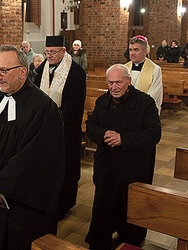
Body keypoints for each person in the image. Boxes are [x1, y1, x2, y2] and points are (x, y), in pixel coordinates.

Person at [0, 45, 65, 250]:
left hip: (23, 203)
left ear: (23, 72)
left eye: (4, 71)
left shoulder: (43, 108)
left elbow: (36, 157)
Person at [84, 64, 161, 249]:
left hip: (132, 169)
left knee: (129, 210)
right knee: (103, 208)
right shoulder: (103, 101)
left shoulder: (145, 103)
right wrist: (103, 135)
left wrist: (123, 139)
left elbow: (154, 134)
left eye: (118, 82)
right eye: (110, 83)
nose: (114, 87)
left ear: (129, 81)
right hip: (107, 168)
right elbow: (91, 125)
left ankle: (129, 242)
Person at [34, 35, 86, 219]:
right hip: (44, 129)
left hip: (66, 130)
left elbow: (74, 104)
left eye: (53, 52)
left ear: (63, 51)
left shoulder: (76, 72)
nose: (49, 56)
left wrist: (54, 120)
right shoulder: (41, 69)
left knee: (66, 168)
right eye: (47, 52)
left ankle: (64, 204)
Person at [125, 35, 163, 115]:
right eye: (130, 50)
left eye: (136, 50)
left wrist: (137, 105)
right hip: (125, 108)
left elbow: (154, 93)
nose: (132, 53)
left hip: (144, 110)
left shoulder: (155, 69)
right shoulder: (124, 68)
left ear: (145, 51)